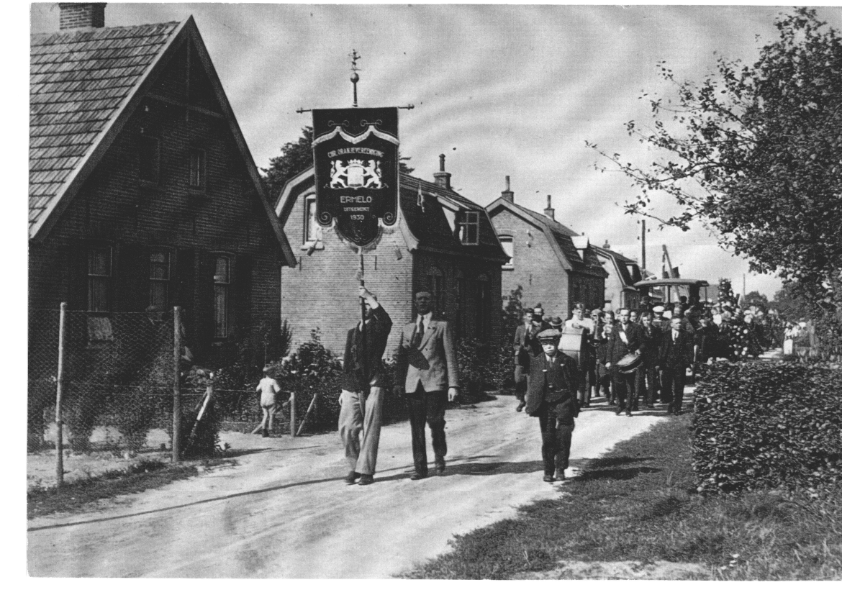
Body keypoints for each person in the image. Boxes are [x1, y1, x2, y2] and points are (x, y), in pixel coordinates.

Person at [396, 291, 460, 480]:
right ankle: (420, 468)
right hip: (413, 384)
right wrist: (398, 382)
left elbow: (450, 356)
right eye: (419, 300)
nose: (422, 302)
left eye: (426, 299)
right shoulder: (408, 328)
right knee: (416, 428)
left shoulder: (441, 326)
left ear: (432, 302)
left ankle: (439, 454)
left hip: (435, 382)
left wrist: (453, 385)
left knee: (435, 421)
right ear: (415, 303)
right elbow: (402, 358)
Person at [338, 287, 393, 486]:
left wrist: (369, 296)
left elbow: (387, 321)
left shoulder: (379, 328)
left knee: (370, 426)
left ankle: (366, 470)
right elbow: (346, 363)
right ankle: (354, 466)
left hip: (373, 382)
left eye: (369, 304)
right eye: (362, 304)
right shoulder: (352, 333)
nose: (366, 307)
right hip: (352, 384)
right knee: (347, 428)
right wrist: (343, 389)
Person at [523, 329, 579, 482]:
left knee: (563, 437)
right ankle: (548, 470)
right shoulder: (536, 361)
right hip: (545, 405)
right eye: (545, 344)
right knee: (548, 439)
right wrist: (530, 403)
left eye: (551, 343)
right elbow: (532, 384)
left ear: (557, 343)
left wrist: (573, 402)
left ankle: (560, 468)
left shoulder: (568, 361)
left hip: (564, 402)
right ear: (541, 345)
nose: (548, 347)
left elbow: (574, 383)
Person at [604, 308, 643, 416]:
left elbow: (642, 343)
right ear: (619, 316)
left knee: (630, 384)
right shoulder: (616, 328)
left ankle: (628, 408)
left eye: (626, 315)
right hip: (617, 359)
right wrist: (608, 360)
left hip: (630, 358)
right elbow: (610, 345)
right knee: (618, 384)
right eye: (622, 315)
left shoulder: (636, 327)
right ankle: (620, 404)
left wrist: (639, 350)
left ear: (629, 316)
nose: (624, 318)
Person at [659, 317, 694, 415]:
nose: (679, 325)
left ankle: (677, 407)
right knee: (667, 385)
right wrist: (660, 363)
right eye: (677, 323)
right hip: (667, 364)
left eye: (680, 323)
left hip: (680, 364)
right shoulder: (665, 335)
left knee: (679, 386)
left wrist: (689, 363)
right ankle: (671, 403)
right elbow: (662, 350)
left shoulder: (686, 335)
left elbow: (689, 350)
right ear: (671, 324)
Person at [564, 302, 594, 407]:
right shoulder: (568, 322)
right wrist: (574, 323)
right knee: (572, 376)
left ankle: (585, 400)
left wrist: (581, 325)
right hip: (572, 352)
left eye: (582, 311)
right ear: (573, 311)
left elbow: (591, 331)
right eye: (578, 311)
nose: (580, 313)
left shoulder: (589, 321)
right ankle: (573, 399)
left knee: (585, 377)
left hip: (585, 352)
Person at [512, 308, 540, 412]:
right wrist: (518, 349)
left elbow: (539, 344)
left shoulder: (536, 328)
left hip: (531, 357)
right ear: (525, 317)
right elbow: (515, 343)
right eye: (528, 316)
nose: (530, 318)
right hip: (520, 357)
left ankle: (529, 404)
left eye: (532, 316)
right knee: (518, 379)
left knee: (530, 381)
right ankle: (521, 400)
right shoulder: (520, 328)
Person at [637, 311, 662, 409]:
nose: (646, 322)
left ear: (651, 320)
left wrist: (657, 360)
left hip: (652, 357)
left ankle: (650, 400)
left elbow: (658, 345)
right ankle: (644, 396)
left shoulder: (656, 330)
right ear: (641, 320)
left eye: (648, 320)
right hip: (641, 357)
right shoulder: (639, 330)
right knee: (641, 378)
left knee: (652, 379)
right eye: (644, 320)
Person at [254, 366, 282, 438]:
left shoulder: (262, 380)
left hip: (263, 399)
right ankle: (271, 430)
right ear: (271, 373)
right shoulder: (273, 381)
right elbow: (278, 390)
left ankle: (263, 431)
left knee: (265, 415)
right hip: (271, 399)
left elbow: (257, 389)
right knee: (272, 415)